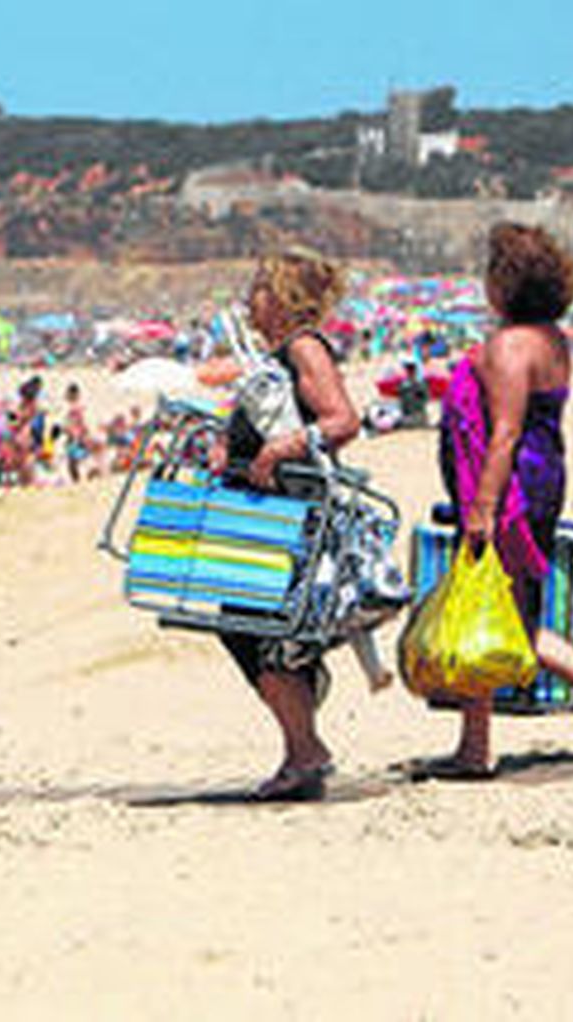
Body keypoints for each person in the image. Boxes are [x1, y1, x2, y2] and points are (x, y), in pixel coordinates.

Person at [423, 223, 573, 779]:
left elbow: (504, 433)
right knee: (497, 605)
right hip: (545, 476)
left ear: (504, 283)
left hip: (513, 486)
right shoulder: (551, 340)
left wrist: (483, 507)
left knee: (501, 609)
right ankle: (475, 744)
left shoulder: (509, 346)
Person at [205, 249, 360, 801]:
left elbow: (343, 420)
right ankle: (302, 746)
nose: (249, 300)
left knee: (260, 629)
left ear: (283, 296)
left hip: (290, 517)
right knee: (246, 626)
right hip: (268, 515)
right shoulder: (281, 353)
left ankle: (305, 753)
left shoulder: (303, 347)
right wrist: (231, 443)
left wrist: (279, 449)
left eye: (258, 288)